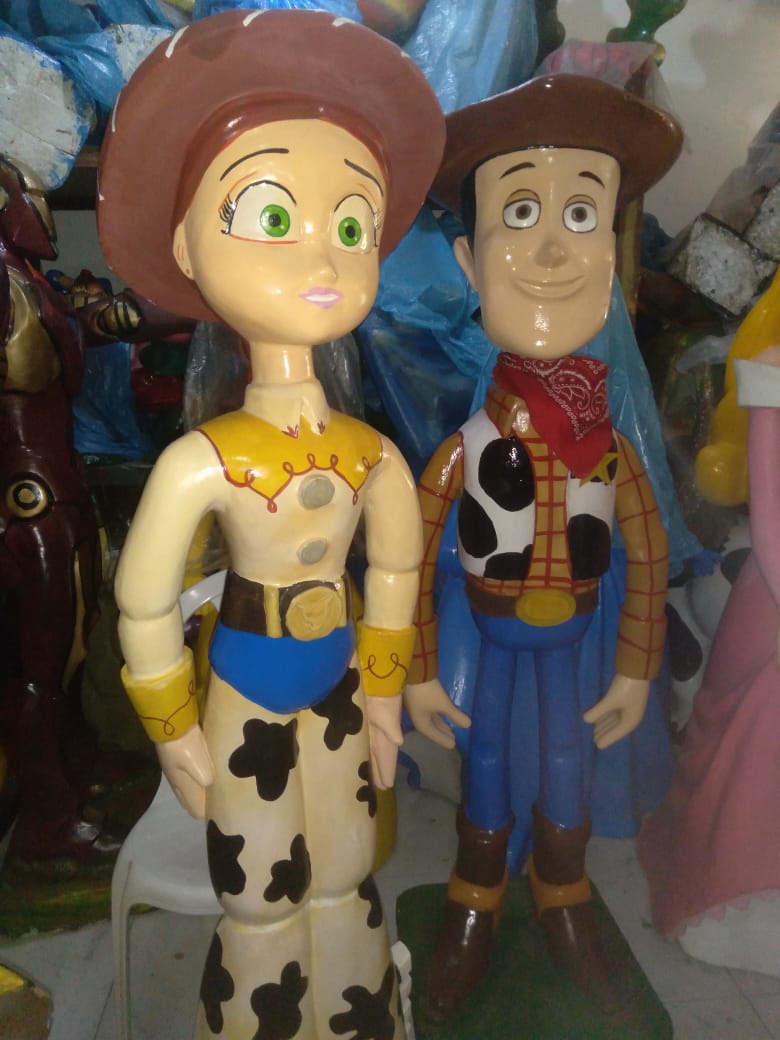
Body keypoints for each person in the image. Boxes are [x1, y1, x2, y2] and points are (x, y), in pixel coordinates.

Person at [97, 11, 444, 1039]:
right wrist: (174, 732)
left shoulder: (373, 455)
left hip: (338, 683)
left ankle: (359, 1011)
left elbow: (398, 570)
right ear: (186, 246)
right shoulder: (201, 463)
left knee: (346, 870)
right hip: (244, 688)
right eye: (272, 213)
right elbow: (142, 603)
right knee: (256, 892)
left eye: (353, 224)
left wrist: (383, 690)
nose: (323, 252)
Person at [403, 72, 680, 1022]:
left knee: (567, 766)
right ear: (469, 261)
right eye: (519, 213)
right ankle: (473, 902)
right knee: (485, 768)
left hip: (574, 638)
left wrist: (636, 667)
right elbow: (411, 560)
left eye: (582, 215)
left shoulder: (610, 450)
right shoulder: (465, 451)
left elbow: (648, 556)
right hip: (489, 629)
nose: (555, 248)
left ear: (612, 255)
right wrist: (419, 671)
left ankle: (564, 895)